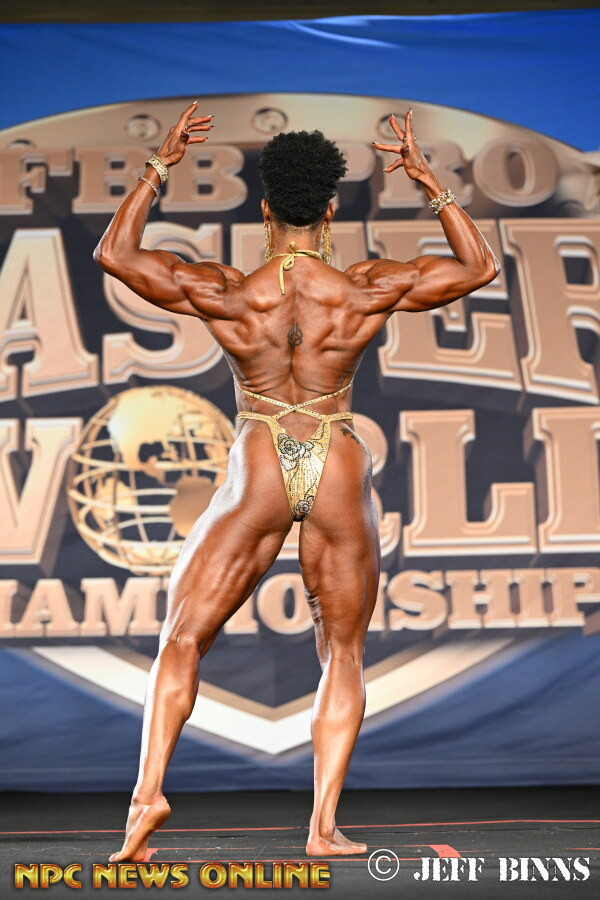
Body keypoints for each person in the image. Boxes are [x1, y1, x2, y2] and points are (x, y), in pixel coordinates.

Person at [94, 101, 500, 862]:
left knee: (182, 638)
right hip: (335, 454)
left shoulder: (227, 289)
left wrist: (159, 166)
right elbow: (480, 268)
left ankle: (147, 796)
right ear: (332, 209)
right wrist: (430, 183)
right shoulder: (363, 287)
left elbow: (116, 255)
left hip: (258, 458)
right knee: (342, 652)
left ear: (266, 209)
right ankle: (322, 828)